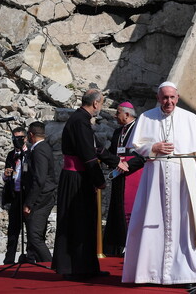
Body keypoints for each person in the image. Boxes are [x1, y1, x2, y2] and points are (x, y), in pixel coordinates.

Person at [122, 81, 196, 286]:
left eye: (172, 97)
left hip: (183, 176)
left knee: (184, 224)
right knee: (152, 222)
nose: (168, 101)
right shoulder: (146, 117)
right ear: (158, 98)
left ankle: (186, 274)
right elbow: (135, 147)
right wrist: (153, 147)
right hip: (155, 177)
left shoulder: (190, 118)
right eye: (164, 97)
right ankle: (149, 273)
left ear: (177, 98)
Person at [52, 89, 128, 280]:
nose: (100, 107)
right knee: (79, 222)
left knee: (85, 222)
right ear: (95, 103)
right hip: (77, 178)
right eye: (101, 104)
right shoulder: (80, 122)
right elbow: (89, 156)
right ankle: (76, 269)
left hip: (78, 176)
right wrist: (99, 180)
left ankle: (85, 267)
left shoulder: (81, 120)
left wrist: (115, 160)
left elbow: (97, 148)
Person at [103, 102, 144, 256]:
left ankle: (132, 246)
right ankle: (117, 247)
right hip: (119, 176)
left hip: (133, 175)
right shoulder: (117, 132)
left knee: (131, 211)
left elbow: (144, 154)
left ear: (127, 114)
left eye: (118, 112)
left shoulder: (140, 129)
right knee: (116, 210)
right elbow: (113, 152)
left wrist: (126, 164)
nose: (115, 115)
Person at [22, 121, 58, 263]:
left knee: (34, 235)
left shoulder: (39, 149)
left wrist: (29, 203)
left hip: (42, 197)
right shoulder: (44, 147)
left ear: (31, 135)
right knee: (37, 233)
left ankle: (50, 265)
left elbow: (39, 179)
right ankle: (36, 263)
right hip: (44, 195)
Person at [2, 127, 28, 265]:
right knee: (13, 228)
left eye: (18, 138)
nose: (15, 141)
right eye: (13, 139)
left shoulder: (30, 153)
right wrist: (6, 175)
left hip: (27, 195)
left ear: (25, 139)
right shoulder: (11, 154)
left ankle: (31, 256)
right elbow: (6, 176)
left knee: (30, 228)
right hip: (14, 195)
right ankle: (9, 258)